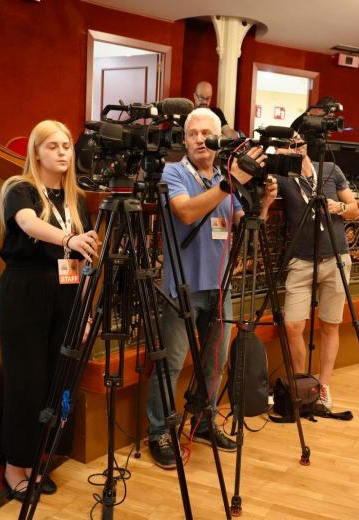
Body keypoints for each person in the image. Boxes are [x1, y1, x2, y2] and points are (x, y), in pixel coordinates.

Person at [146, 107, 276, 469]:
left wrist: (262, 204)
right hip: (182, 287)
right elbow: (185, 212)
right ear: (185, 140)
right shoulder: (173, 172)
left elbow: (241, 225)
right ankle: (158, 431)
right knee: (170, 364)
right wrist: (228, 183)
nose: (201, 139)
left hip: (221, 287)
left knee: (215, 363)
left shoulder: (223, 176)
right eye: (193, 134)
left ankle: (203, 422)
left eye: (207, 133)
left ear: (219, 139)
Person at [0, 120, 101, 500]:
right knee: (26, 382)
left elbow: (87, 258)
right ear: (36, 152)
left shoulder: (75, 199)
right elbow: (28, 224)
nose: (62, 152)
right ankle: (14, 467)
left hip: (67, 291)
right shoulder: (19, 189)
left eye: (66, 146)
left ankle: (36, 459)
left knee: (56, 382)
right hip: (25, 292)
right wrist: (68, 238)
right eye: (53, 146)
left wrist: (85, 311)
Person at [274, 133, 359, 410]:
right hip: (301, 260)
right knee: (292, 326)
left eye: (298, 142)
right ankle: (302, 384)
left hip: (335, 257)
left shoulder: (331, 170)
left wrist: (340, 207)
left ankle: (323, 386)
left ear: (306, 144)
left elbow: (355, 209)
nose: (295, 147)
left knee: (330, 325)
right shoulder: (284, 176)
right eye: (289, 144)